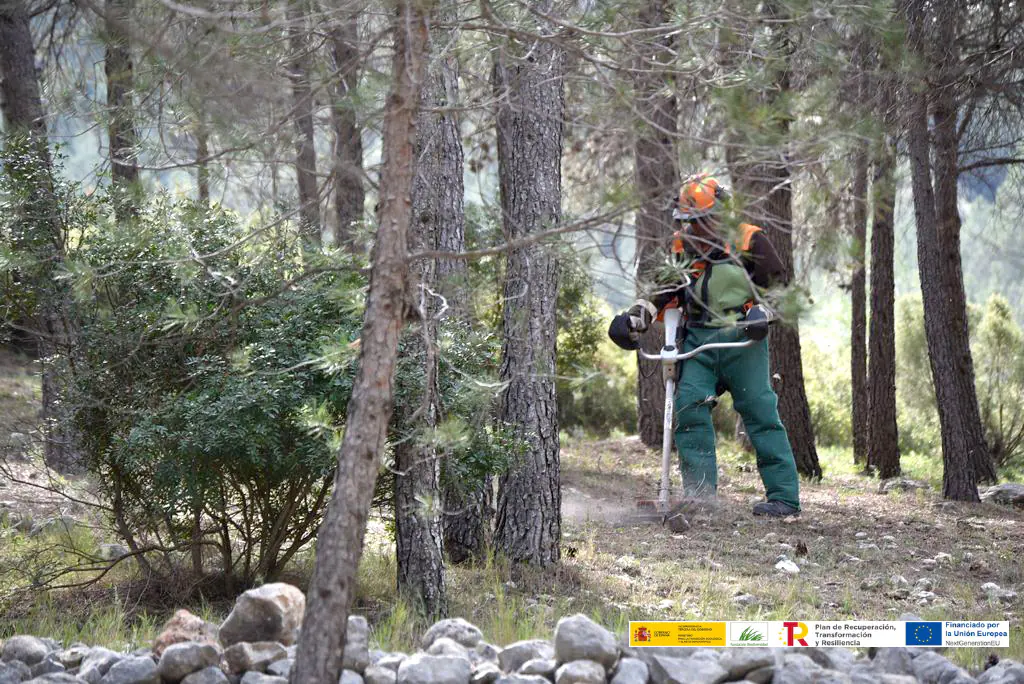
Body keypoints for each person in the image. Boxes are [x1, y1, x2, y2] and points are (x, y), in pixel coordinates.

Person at [608, 174, 801, 517]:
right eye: (687, 223)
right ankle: (701, 497)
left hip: (743, 339)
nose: (692, 230)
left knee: (759, 411)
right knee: (688, 405)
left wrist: (763, 313)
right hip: (698, 341)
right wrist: (632, 320)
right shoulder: (681, 249)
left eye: (698, 222)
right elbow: (661, 294)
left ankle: (784, 497)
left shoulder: (749, 241)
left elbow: (782, 290)